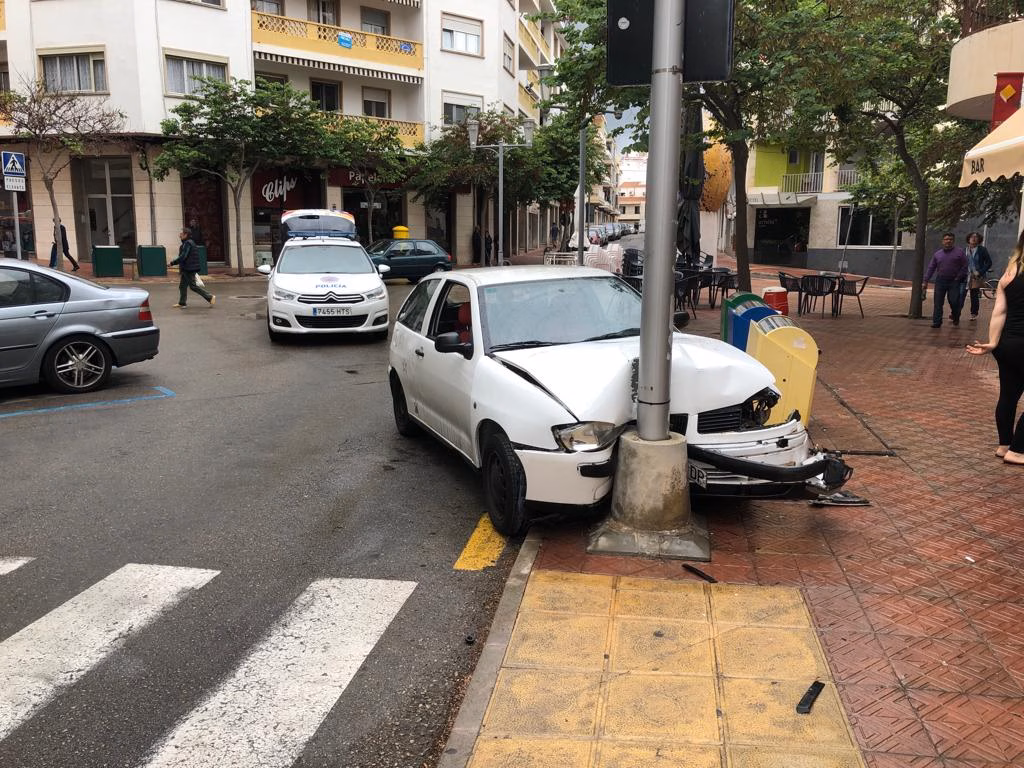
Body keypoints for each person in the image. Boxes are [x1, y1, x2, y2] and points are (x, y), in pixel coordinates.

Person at [966, 229, 1024, 465]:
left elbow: (999, 311)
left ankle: (1004, 445)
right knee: (1009, 396)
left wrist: (993, 342)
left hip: (1007, 345)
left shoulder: (1009, 273)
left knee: (1008, 396)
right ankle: (1018, 450)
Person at [923, 232, 967, 327]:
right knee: (938, 302)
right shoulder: (938, 254)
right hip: (940, 280)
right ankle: (937, 322)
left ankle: (956, 316)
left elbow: (965, 266)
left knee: (954, 301)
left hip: (954, 281)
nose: (948, 241)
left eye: (950, 239)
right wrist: (926, 280)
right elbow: (931, 267)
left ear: (953, 241)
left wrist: (958, 277)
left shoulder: (959, 252)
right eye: (946, 239)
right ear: (943, 241)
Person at [168, 227, 215, 308]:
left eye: (181, 233)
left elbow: (183, 256)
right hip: (187, 268)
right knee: (182, 286)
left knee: (193, 286)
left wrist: (172, 263)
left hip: (189, 268)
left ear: (186, 234)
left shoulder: (188, 243)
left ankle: (210, 297)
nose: (179, 235)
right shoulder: (188, 242)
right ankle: (182, 303)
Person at [961, 231, 993, 321]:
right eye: (972, 237)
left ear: (979, 239)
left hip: (976, 276)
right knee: (960, 294)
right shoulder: (964, 250)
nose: (974, 238)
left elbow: (989, 262)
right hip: (965, 276)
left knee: (974, 295)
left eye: (976, 237)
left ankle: (974, 313)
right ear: (968, 239)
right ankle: (956, 312)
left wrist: (981, 272)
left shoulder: (982, 250)